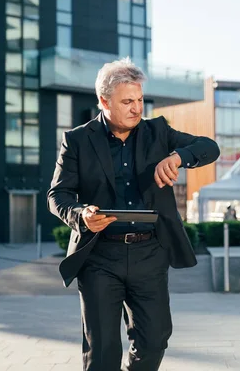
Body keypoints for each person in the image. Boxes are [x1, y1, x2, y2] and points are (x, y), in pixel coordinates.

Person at [47, 57, 220, 371]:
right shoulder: (77, 140)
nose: (137, 108)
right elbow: (57, 196)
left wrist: (179, 158)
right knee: (102, 353)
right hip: (99, 255)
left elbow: (209, 147)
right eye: (127, 101)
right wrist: (81, 214)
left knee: (155, 339)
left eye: (140, 100)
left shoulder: (158, 132)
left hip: (149, 254)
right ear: (104, 101)